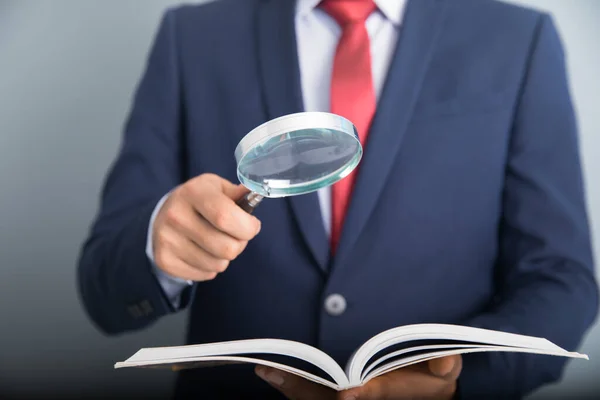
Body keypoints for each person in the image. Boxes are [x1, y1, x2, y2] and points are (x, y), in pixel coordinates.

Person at [77, 0, 599, 398]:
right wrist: (159, 250)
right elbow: (103, 289)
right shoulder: (191, 37)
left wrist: (460, 380)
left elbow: (561, 279)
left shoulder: (517, 39)